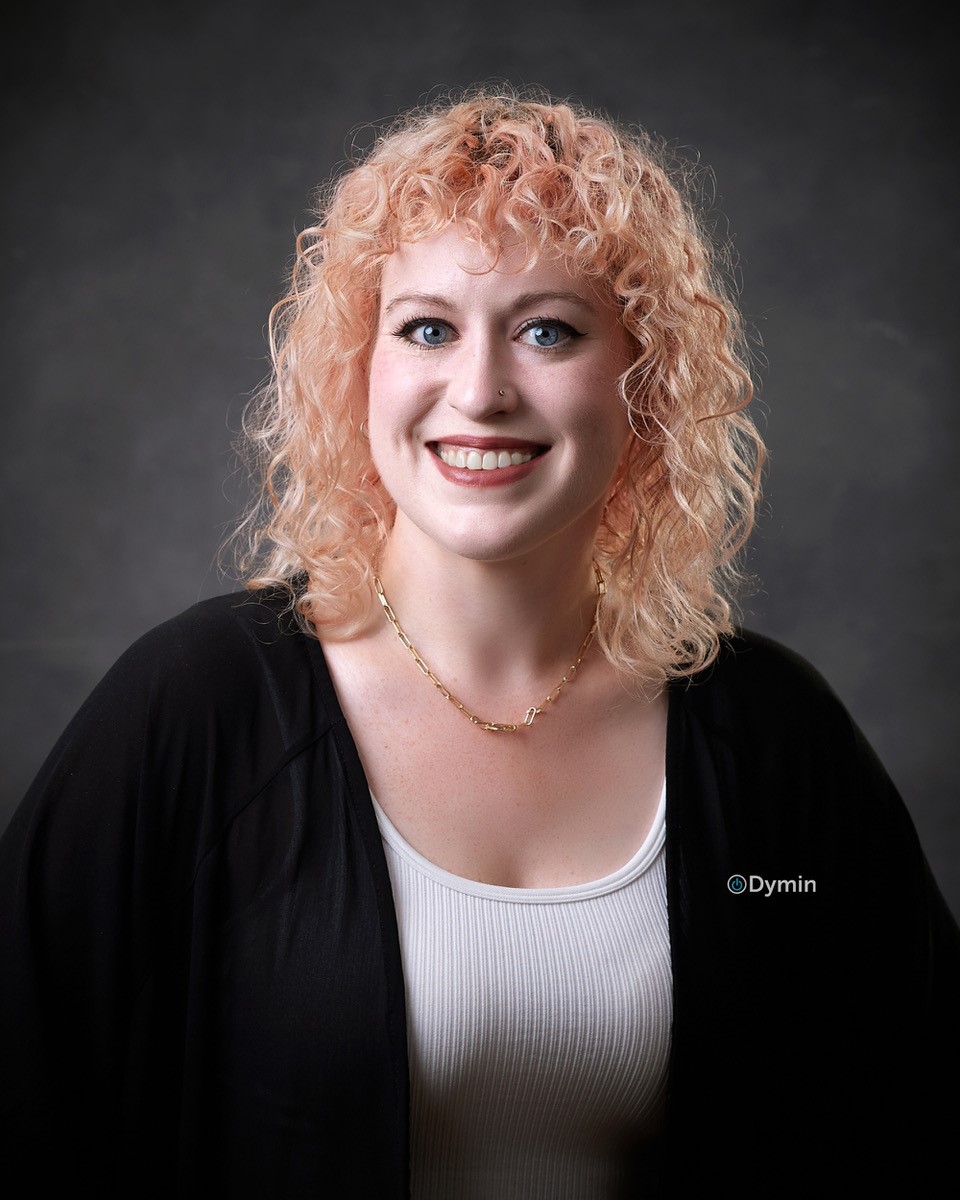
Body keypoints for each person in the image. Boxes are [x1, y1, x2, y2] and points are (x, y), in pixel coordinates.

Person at [1, 88, 957, 1198]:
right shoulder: (194, 710)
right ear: (359, 369)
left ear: (643, 384)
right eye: (427, 329)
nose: (482, 390)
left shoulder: (770, 736)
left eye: (549, 329)